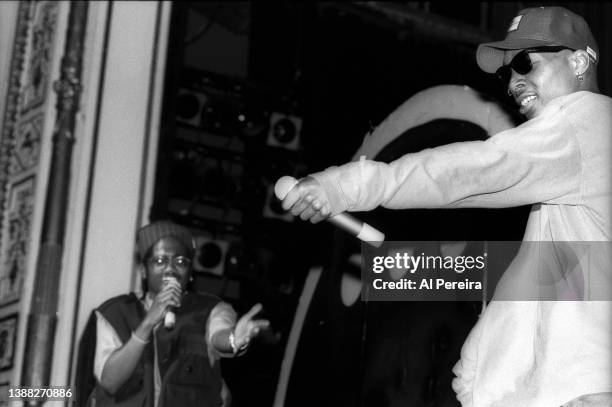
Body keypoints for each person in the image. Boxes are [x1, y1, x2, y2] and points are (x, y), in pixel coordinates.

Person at [279, 6, 611, 407]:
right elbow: (539, 275)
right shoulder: (579, 160)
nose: (514, 82)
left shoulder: (585, 122)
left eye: (526, 62)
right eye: (508, 71)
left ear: (579, 60)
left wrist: (344, 185)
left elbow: (469, 172)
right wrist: (473, 373)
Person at [87, 220, 269, 407]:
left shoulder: (211, 309)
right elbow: (109, 382)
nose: (170, 269)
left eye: (180, 262)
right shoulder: (115, 313)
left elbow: (218, 336)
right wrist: (147, 323)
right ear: (143, 271)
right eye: (159, 261)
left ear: (190, 274)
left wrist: (233, 340)